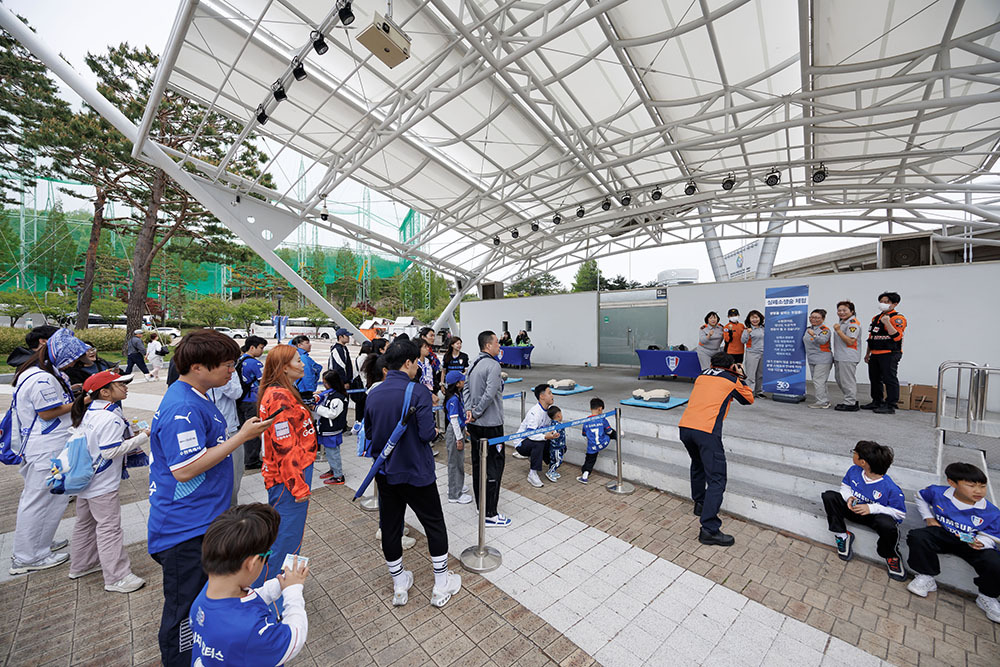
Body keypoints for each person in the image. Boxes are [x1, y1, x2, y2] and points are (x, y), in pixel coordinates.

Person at [147, 329, 272, 667]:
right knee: (184, 609)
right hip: (184, 528)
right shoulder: (182, 408)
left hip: (202, 519)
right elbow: (184, 469)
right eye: (227, 365)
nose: (233, 371)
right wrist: (242, 437)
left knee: (203, 598)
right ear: (199, 367)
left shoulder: (197, 395)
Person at [364, 339, 462, 608]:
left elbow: (370, 435)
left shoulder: (373, 394)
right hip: (418, 472)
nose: (418, 366)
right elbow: (426, 433)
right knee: (433, 524)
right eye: (417, 362)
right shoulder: (417, 391)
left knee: (391, 526)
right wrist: (435, 432)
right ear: (407, 363)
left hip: (386, 474)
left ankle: (399, 584)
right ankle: (440, 585)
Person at [9, 328, 90, 575]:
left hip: (46, 446)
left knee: (50, 500)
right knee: (39, 501)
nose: (76, 362)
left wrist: (71, 391)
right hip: (45, 447)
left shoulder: (40, 372)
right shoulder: (42, 378)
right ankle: (26, 556)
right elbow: (47, 412)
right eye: (74, 357)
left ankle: (40, 545)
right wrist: (81, 401)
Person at [189, 504, 309, 666]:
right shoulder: (251, 629)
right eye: (267, 555)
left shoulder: (206, 595)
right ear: (252, 564)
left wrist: (279, 585)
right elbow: (294, 638)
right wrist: (293, 591)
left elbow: (241, 604)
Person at [67, 370, 149, 592]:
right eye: (120, 384)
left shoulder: (89, 411)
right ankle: (117, 577)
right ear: (105, 392)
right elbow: (110, 451)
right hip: (102, 483)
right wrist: (143, 437)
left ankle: (82, 564)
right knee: (109, 529)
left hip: (84, 479)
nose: (125, 387)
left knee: (85, 524)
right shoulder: (110, 417)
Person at [254, 344, 318, 607]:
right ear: (282, 368)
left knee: (289, 538)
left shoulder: (282, 391)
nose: (303, 364)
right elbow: (284, 447)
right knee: (285, 541)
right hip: (288, 479)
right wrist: (298, 487)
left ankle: (285, 587)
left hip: (293, 475)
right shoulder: (278, 396)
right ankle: (269, 600)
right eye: (297, 361)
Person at [906, 463, 1000, 623]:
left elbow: (993, 536)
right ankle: (926, 577)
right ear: (952, 483)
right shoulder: (937, 492)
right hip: (944, 533)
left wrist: (982, 543)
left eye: (983, 486)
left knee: (995, 563)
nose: (978, 491)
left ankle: (987, 596)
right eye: (971, 486)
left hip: (971, 543)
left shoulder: (991, 512)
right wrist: (928, 517)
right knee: (917, 536)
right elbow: (919, 497)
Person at [677, 352, 754, 547]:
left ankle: (700, 504)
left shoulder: (702, 375)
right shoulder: (731, 379)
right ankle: (709, 529)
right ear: (731, 367)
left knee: (698, 465)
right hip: (707, 432)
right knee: (717, 479)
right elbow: (749, 399)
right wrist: (740, 375)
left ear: (712, 363)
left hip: (685, 428)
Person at [820, 441, 906, 580]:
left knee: (888, 525)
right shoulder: (854, 471)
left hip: (874, 518)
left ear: (863, 462)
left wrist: (871, 508)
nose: (853, 455)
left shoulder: (891, 488)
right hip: (852, 509)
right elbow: (845, 486)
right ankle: (842, 536)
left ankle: (891, 555)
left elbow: (899, 514)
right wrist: (848, 497)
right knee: (829, 496)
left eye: (855, 454)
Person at [463, 331, 510, 527]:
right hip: (490, 425)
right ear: (488, 346)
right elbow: (490, 393)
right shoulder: (493, 365)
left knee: (478, 465)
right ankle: (490, 512)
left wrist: (469, 410)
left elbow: (465, 388)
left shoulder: (473, 363)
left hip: (475, 426)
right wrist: (477, 412)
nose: (499, 346)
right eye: (497, 343)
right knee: (493, 466)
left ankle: (481, 505)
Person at [208, 360, 246, 506]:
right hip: (210, 432)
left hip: (230, 428)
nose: (231, 369)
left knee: (236, 472)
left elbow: (237, 393)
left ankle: (230, 508)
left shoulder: (231, 373)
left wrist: (223, 380)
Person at [863, 291, 907, 414]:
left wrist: (887, 322)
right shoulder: (876, 318)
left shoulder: (898, 318)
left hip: (890, 353)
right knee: (875, 378)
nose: (883, 304)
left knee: (889, 378)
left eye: (886, 302)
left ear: (895, 304)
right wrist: (868, 353)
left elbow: (897, 337)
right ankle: (877, 401)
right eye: (881, 302)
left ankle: (890, 404)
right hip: (875, 353)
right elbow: (871, 336)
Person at [514, 383, 560, 488]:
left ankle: (549, 467)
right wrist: (545, 436)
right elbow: (531, 435)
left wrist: (553, 434)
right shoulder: (535, 412)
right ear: (542, 396)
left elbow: (548, 430)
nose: (552, 396)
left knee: (557, 443)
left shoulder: (549, 412)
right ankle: (532, 474)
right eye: (550, 393)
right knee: (538, 443)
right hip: (522, 443)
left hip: (535, 439)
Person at [236, 336, 267, 469]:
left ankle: (246, 456)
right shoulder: (255, 363)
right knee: (254, 430)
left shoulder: (240, 360)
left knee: (244, 428)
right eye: (261, 348)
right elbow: (264, 381)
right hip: (252, 400)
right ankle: (252, 460)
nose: (262, 351)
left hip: (240, 399)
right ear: (252, 347)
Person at [443, 371, 472, 504]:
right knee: (455, 463)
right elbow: (454, 420)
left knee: (456, 461)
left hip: (457, 431)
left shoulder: (455, 396)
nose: (464, 382)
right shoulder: (453, 399)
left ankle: (455, 486)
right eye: (462, 380)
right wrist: (459, 439)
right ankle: (455, 494)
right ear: (458, 383)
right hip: (454, 433)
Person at [315, 369, 348, 486]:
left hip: (332, 430)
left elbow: (332, 414)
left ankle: (339, 476)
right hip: (327, 429)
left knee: (333, 453)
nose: (324, 384)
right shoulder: (330, 393)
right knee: (330, 453)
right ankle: (333, 469)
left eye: (326, 382)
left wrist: (316, 408)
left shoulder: (337, 397)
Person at [832, 301, 862, 412]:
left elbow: (850, 341)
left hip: (848, 356)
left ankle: (850, 403)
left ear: (852, 311)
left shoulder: (852, 323)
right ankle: (850, 399)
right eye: (839, 310)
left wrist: (838, 331)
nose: (841, 312)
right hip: (840, 356)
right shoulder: (843, 322)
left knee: (847, 381)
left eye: (844, 310)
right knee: (840, 379)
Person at [577, 397, 615, 484]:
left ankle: (585, 475)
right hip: (604, 442)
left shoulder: (586, 421)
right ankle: (619, 435)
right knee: (610, 432)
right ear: (600, 409)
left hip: (592, 447)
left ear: (591, 408)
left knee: (589, 461)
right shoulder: (602, 419)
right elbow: (609, 431)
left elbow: (584, 434)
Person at [803, 309, 834, 409]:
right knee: (819, 380)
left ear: (823, 319)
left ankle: (822, 402)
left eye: (817, 317)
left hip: (823, 359)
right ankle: (824, 400)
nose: (814, 319)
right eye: (812, 317)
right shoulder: (808, 329)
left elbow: (823, 341)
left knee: (818, 380)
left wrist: (814, 334)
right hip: (812, 358)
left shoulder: (825, 330)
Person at [290, 335, 322, 402]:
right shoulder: (303, 358)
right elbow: (307, 376)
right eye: (307, 343)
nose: (310, 345)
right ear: (299, 345)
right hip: (304, 392)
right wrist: (310, 391)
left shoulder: (297, 355)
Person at [740, 310, 765, 395]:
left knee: (760, 374)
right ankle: (749, 392)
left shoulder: (763, 328)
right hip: (752, 353)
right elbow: (743, 341)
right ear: (749, 319)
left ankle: (759, 391)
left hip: (763, 353)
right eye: (752, 318)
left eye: (756, 317)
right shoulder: (747, 329)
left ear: (760, 318)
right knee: (751, 375)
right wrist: (747, 333)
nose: (755, 319)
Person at [545, 405, 566, 483]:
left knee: (553, 460)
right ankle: (550, 472)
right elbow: (555, 434)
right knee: (558, 461)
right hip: (557, 447)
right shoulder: (557, 426)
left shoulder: (553, 423)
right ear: (558, 415)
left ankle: (552, 471)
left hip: (554, 447)